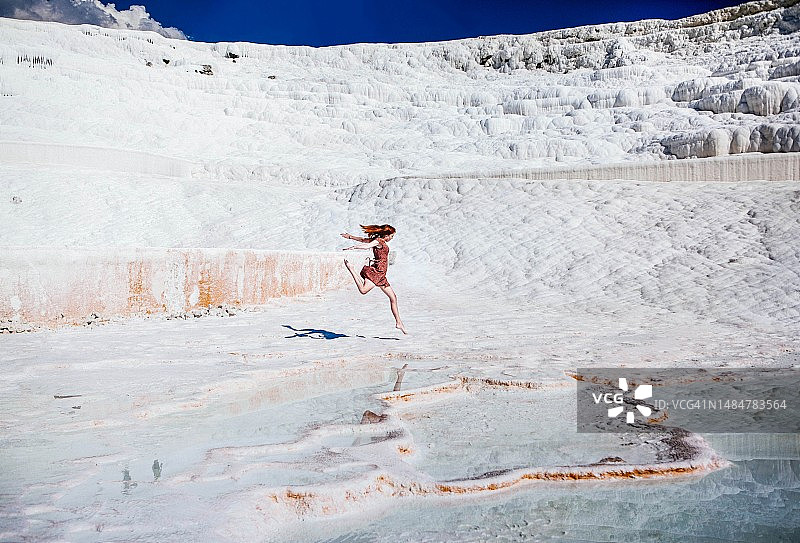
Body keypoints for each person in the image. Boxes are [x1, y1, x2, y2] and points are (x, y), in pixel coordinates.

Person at [341, 224, 407, 334]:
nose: (392, 238)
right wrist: (355, 247)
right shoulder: (378, 242)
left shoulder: (379, 241)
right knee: (363, 290)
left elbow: (363, 240)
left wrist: (350, 237)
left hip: (381, 275)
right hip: (376, 273)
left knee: (393, 298)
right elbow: (366, 245)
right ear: (387, 235)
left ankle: (399, 322)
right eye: (392, 236)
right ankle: (351, 269)